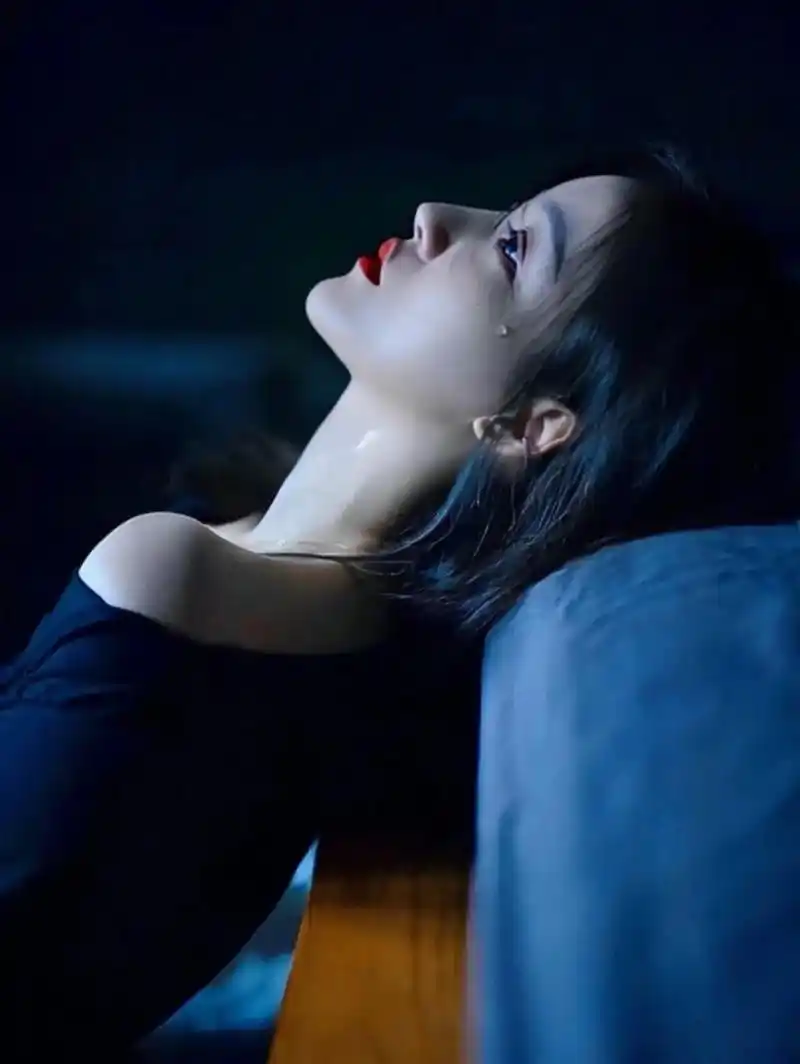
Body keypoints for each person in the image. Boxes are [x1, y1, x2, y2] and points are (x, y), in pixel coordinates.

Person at [1, 144, 797, 1059]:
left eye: (512, 249)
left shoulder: (174, 581)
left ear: (535, 423)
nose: (434, 216)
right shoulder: (335, 626)